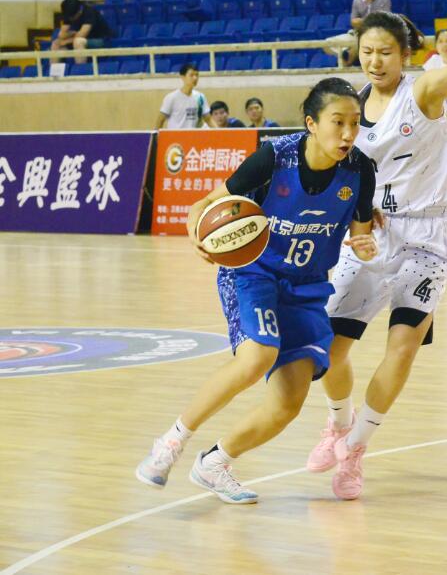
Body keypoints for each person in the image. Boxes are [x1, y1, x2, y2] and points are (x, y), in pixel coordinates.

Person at [306, 0, 447, 501]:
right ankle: (337, 423)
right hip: (370, 235)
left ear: (405, 54)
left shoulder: (423, 91)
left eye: (385, 51)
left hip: (425, 237)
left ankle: (355, 450)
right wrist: (353, 211)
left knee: (402, 347)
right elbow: (335, 166)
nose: (375, 61)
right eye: (367, 52)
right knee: (329, 350)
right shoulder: (349, 107)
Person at [135, 78, 377, 504]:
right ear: (311, 123)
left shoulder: (360, 170)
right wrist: (196, 230)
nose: (347, 133)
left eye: (355, 123)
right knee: (257, 355)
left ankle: (215, 464)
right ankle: (170, 442)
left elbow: (361, 234)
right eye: (337, 122)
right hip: (253, 273)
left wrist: (365, 244)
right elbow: (206, 204)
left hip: (307, 286)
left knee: (288, 404)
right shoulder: (274, 157)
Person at [328, 0, 392, 65]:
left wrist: (363, 22)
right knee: (327, 43)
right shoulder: (357, 0)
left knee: (356, 46)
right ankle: (344, 59)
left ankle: (347, 64)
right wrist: (361, 22)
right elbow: (353, 21)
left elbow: (384, 21)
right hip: (357, 33)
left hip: (377, 35)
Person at [50, 0, 113, 65]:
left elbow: (81, 35)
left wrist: (65, 41)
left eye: (72, 17)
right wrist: (69, 35)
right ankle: (54, 71)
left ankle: (80, 69)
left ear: (79, 11)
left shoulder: (89, 12)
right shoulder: (69, 13)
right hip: (80, 39)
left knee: (78, 42)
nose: (70, 19)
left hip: (100, 40)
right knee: (55, 44)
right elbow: (62, 35)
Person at [155, 64, 209, 130]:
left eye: (197, 75)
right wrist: (155, 134)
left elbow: (208, 119)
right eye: (191, 75)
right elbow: (160, 120)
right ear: (183, 77)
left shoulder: (200, 97)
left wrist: (219, 131)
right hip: (175, 135)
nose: (195, 78)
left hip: (194, 135)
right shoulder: (171, 97)